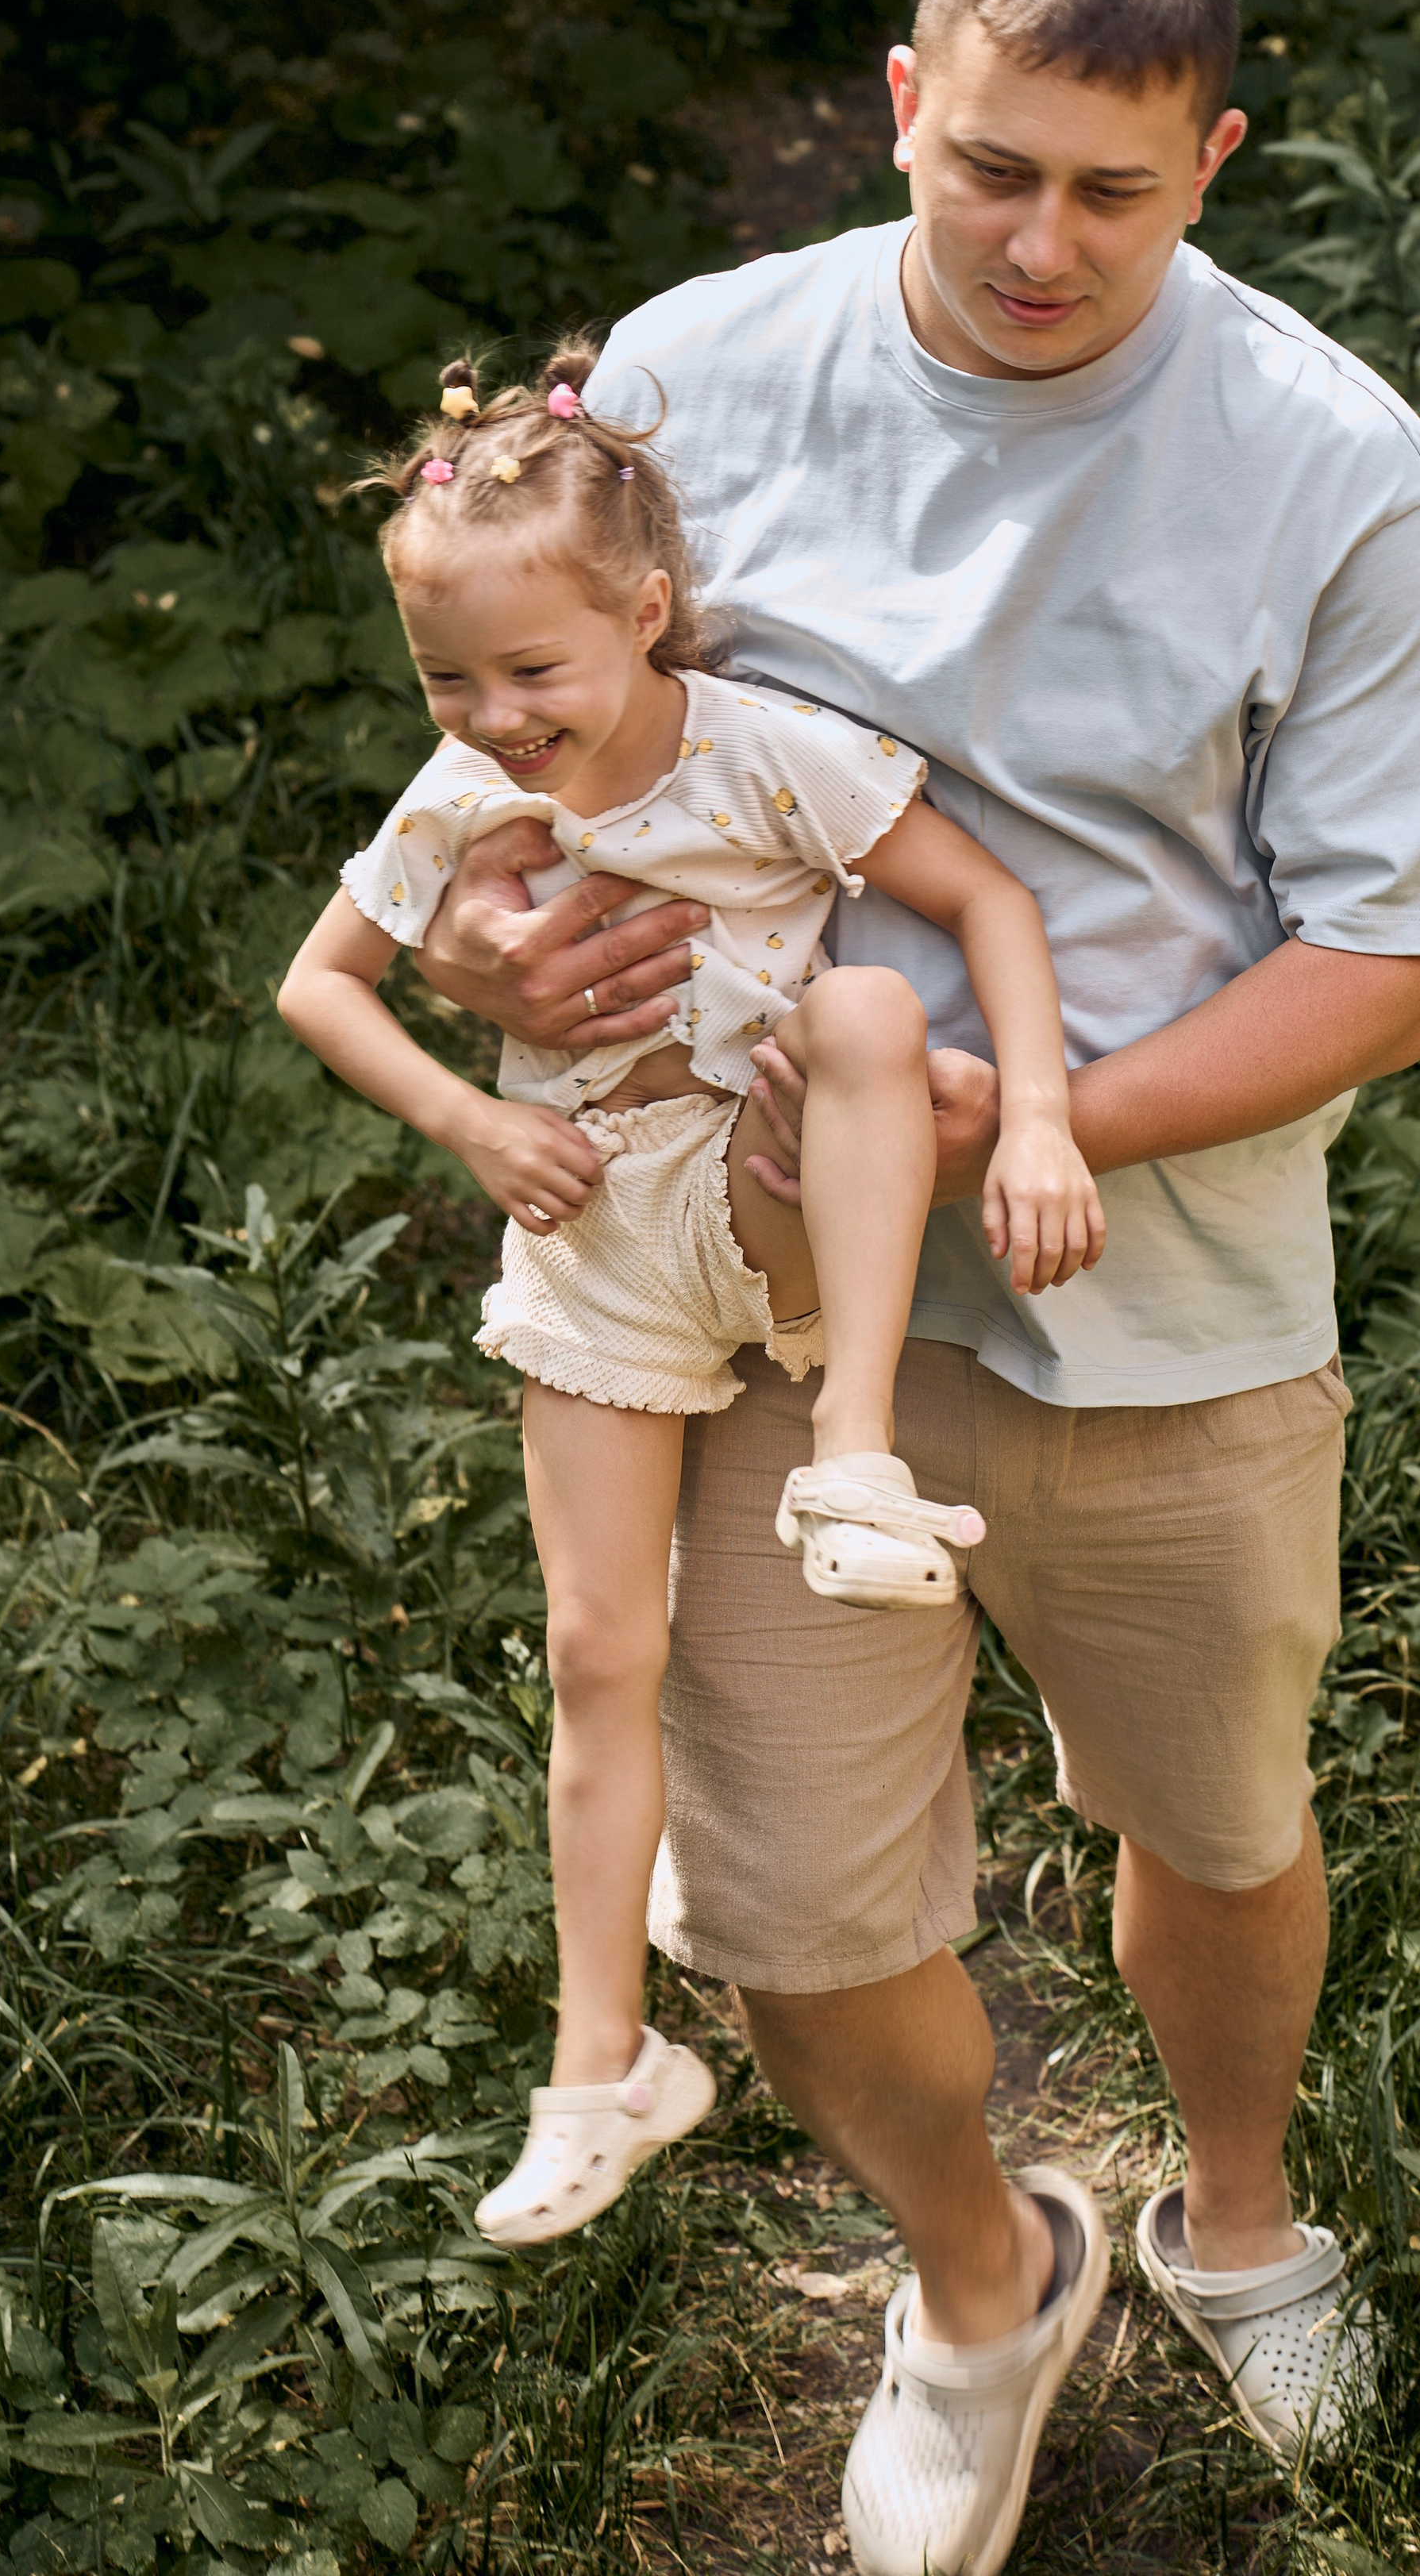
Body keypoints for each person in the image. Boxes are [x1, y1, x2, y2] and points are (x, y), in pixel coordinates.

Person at [407, 0, 1420, 2576]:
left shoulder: (1335, 467)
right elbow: (529, 737)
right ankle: (985, 2275)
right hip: (750, 1305)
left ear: (1215, 161)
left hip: (1158, 1278)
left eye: (1115, 193)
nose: (1041, 244)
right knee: (792, 1920)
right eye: (991, 167)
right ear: (905, 103)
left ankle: (1236, 2217)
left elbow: (1401, 963)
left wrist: (1021, 1129)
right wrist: (485, 951)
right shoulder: (689, 378)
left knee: (1218, 1830)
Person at [278, 348, 1105, 2248]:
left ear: (643, 614)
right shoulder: (457, 796)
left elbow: (986, 903)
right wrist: (469, 1124)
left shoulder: (761, 749)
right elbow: (318, 983)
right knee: (594, 1649)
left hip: (771, 1189)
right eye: (447, 682)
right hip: (593, 1233)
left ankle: (851, 1453)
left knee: (865, 1008)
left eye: (530, 673)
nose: (494, 719)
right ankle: (604, 2064)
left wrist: (1041, 1118)